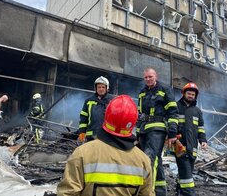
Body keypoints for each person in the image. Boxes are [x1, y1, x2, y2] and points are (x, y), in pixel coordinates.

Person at [57, 95, 155, 196]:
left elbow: (68, 193)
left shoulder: (82, 153)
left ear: (106, 117)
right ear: (133, 122)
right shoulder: (143, 160)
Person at [136, 68, 178, 196]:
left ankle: (148, 192)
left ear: (156, 76)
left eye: (150, 77)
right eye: (146, 77)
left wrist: (172, 133)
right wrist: (137, 134)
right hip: (143, 130)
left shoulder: (164, 89)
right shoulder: (142, 93)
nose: (148, 79)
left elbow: (172, 112)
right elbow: (139, 114)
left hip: (158, 129)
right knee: (155, 160)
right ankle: (160, 191)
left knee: (150, 158)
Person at [175, 82, 207, 196]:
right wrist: (174, 136)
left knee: (185, 172)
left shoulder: (197, 111)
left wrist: (203, 140)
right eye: (188, 93)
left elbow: (201, 128)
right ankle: (188, 193)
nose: (190, 96)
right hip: (180, 146)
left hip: (193, 148)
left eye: (193, 94)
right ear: (184, 94)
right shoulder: (176, 107)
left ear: (195, 96)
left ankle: (179, 191)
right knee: (187, 174)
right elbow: (171, 124)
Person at [77, 76, 114, 143]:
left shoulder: (113, 101)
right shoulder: (88, 101)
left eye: (103, 87)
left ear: (107, 88)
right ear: (96, 88)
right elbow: (83, 118)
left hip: (107, 136)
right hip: (91, 136)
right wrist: (82, 132)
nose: (101, 89)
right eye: (99, 87)